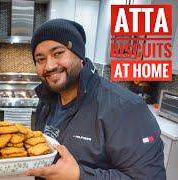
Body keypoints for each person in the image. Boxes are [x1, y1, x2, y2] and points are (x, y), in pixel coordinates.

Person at [25, 19, 166, 180]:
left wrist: (79, 175)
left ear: (79, 55)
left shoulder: (126, 108)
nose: (49, 66)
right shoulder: (46, 100)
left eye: (58, 53)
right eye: (40, 59)